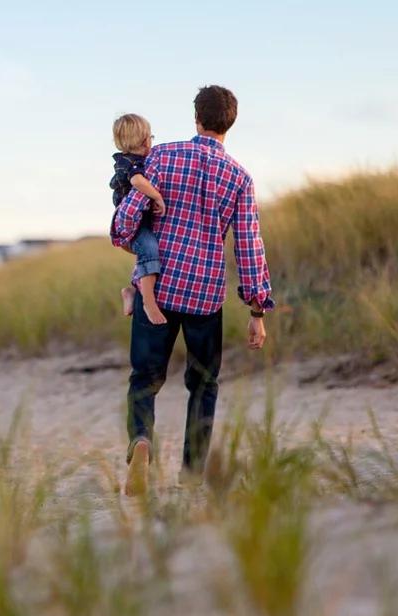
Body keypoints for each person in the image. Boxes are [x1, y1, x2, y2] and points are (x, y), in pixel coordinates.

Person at [110, 85, 275, 496]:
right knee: (203, 384)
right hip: (205, 296)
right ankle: (192, 474)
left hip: (160, 289)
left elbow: (126, 218)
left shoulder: (162, 156)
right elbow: (249, 245)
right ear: (229, 124)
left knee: (144, 380)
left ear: (196, 118)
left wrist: (127, 235)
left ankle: (141, 442)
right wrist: (257, 312)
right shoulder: (239, 177)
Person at [109, 113, 169, 325]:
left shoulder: (138, 160)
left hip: (140, 222)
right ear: (146, 140)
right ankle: (148, 303)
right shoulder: (130, 163)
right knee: (150, 248)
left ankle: (132, 292)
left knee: (149, 253)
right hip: (132, 225)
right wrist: (157, 196)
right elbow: (137, 182)